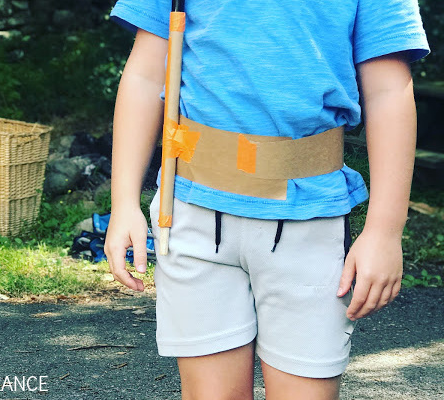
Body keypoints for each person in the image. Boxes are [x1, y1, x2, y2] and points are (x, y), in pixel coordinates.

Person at [103, 1, 430, 399]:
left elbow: (389, 91)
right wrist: (123, 202)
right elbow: (145, 74)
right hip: (191, 214)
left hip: (310, 221)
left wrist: (385, 230)